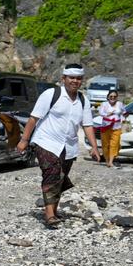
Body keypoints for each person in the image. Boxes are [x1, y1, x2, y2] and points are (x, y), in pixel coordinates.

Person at [16, 63, 101, 229]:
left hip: (68, 146)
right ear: (63, 79)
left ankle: (53, 210)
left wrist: (95, 147)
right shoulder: (51, 94)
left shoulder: (83, 100)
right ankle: (49, 216)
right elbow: (34, 118)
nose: (75, 81)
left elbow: (88, 125)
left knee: (61, 177)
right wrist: (24, 140)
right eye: (71, 78)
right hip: (46, 141)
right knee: (52, 173)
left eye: (78, 78)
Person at [96, 90, 126, 168]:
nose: (112, 98)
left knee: (115, 144)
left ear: (117, 97)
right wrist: (107, 114)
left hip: (117, 126)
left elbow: (124, 112)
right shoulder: (104, 104)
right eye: (111, 96)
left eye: (114, 97)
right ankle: (107, 160)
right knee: (105, 144)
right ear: (108, 97)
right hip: (106, 126)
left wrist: (124, 117)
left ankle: (111, 161)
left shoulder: (120, 104)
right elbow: (100, 113)